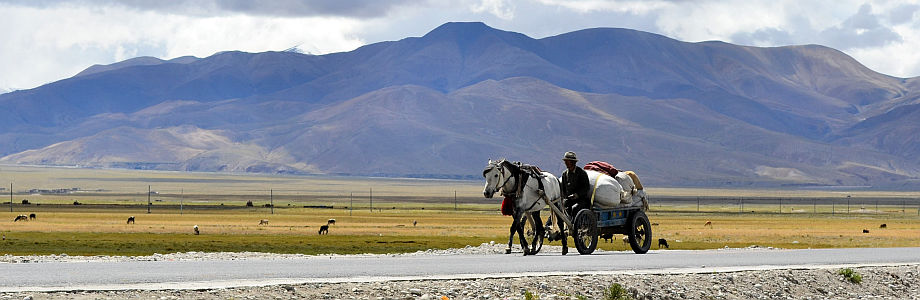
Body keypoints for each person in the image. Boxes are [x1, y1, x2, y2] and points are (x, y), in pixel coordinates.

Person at [561, 151, 590, 218]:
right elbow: (563, 189)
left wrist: (577, 195)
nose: (565, 163)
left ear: (573, 162)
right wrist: (565, 197)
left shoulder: (581, 173)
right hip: (569, 200)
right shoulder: (564, 174)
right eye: (565, 161)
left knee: (575, 208)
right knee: (560, 208)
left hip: (581, 200)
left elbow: (586, 187)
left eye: (567, 161)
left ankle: (573, 226)